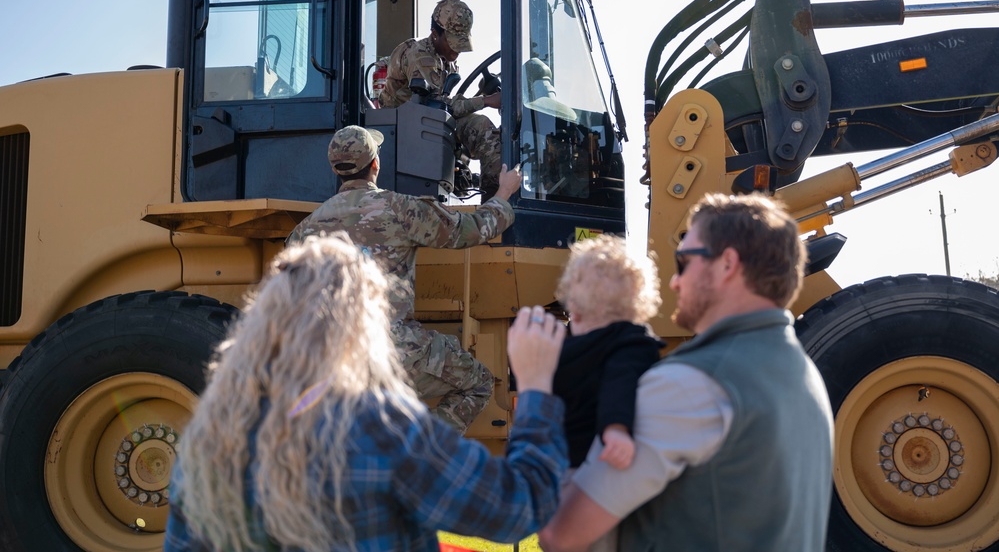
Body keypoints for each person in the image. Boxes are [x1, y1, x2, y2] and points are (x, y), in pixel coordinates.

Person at [164, 233, 568, 552]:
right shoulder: (380, 426)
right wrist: (534, 389)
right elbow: (519, 509)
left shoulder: (206, 441)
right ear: (361, 326)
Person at [539, 193, 835, 552]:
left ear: (727, 264)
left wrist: (534, 391)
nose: (675, 282)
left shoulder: (689, 385)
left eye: (684, 261)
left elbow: (561, 534)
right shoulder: (803, 374)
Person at [287, 125, 521, 434]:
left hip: (332, 362)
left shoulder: (305, 230)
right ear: (375, 164)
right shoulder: (399, 209)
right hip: (392, 352)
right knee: (477, 383)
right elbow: (471, 230)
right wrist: (504, 193)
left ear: (336, 168)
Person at [550, 234, 665, 552]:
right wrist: (616, 430)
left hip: (559, 474)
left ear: (575, 306)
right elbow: (620, 382)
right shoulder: (631, 343)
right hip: (599, 475)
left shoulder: (561, 352)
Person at [378, 0, 503, 200]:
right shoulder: (420, 56)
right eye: (453, 43)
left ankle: (493, 197)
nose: (457, 51)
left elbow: (446, 104)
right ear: (435, 33)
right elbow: (436, 107)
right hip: (404, 130)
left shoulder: (445, 60)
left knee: (483, 129)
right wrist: (486, 101)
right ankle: (494, 205)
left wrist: (481, 97)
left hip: (426, 126)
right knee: (480, 126)